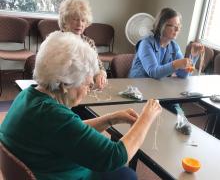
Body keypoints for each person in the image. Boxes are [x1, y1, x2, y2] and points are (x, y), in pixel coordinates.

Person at [0, 31, 162, 180]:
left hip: (47, 168)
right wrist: (146, 117)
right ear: (64, 84)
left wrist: (111, 119)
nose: (88, 90)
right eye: (87, 85)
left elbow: (70, 131)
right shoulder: (54, 116)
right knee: (127, 175)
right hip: (64, 175)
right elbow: (115, 156)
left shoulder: (28, 96)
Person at [128, 7, 204, 114]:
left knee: (178, 113)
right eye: (173, 26)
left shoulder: (174, 46)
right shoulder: (146, 43)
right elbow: (154, 72)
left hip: (159, 89)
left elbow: (183, 74)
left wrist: (193, 57)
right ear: (161, 26)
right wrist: (175, 64)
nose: (177, 30)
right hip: (139, 90)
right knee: (157, 114)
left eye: (179, 26)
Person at [58, 0, 107, 90]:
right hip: (64, 91)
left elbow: (99, 66)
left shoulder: (89, 42)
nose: (80, 24)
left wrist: (100, 75)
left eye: (83, 20)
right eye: (75, 19)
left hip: (86, 90)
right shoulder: (57, 41)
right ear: (65, 20)